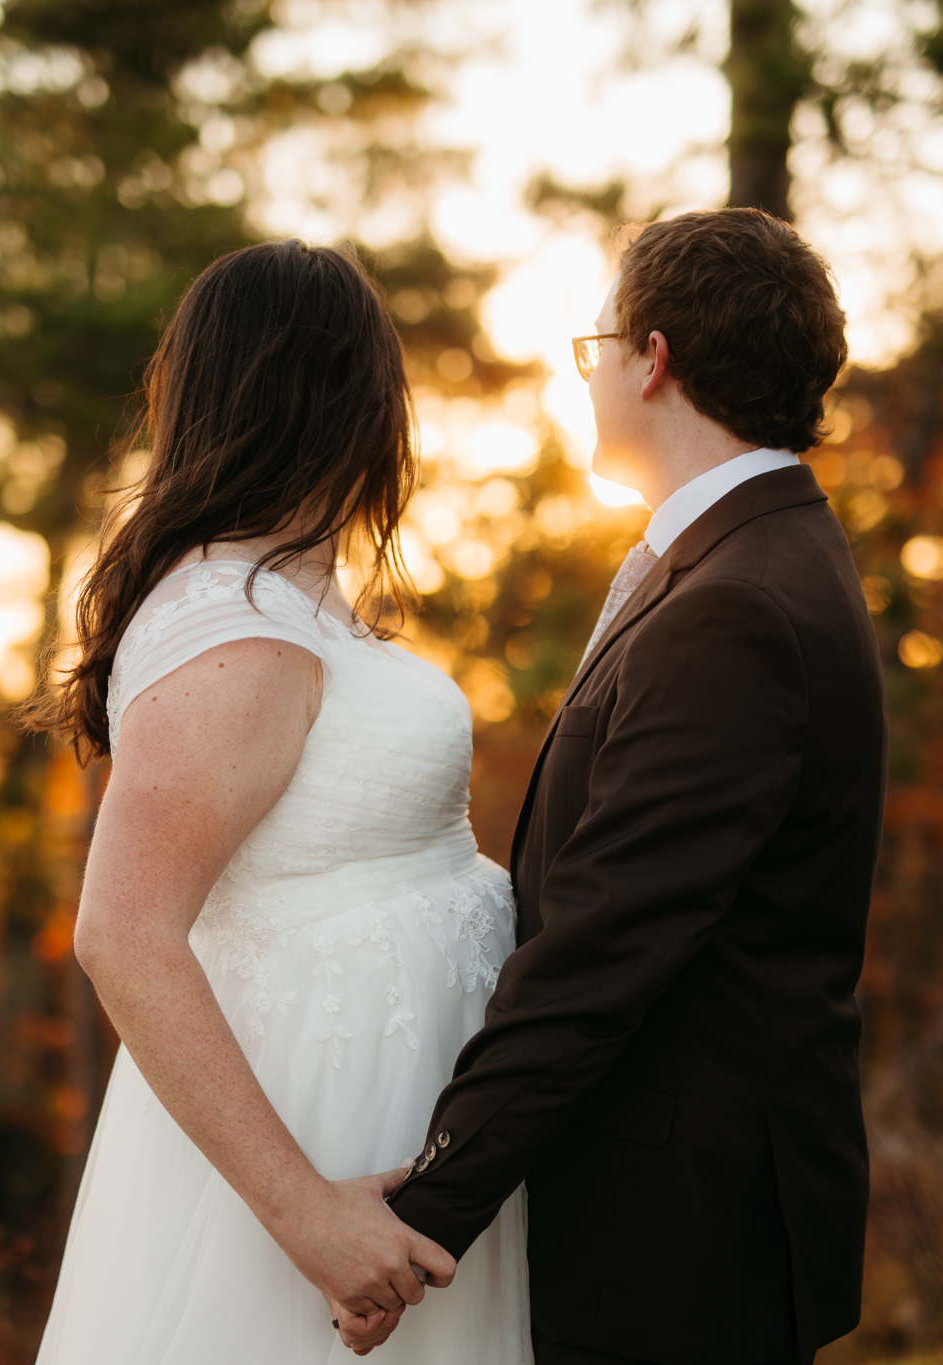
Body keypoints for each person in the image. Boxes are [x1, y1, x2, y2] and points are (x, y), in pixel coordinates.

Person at [344, 207, 886, 1364]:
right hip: (695, 1193)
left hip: (681, 1223)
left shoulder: (733, 604)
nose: (585, 383)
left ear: (653, 359)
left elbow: (604, 944)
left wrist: (426, 1212)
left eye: (593, 351)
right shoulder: (745, 555)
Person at [30, 238, 533, 1364]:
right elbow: (123, 932)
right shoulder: (237, 622)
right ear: (338, 393)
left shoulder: (288, 587)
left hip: (389, 1113)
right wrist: (305, 1214)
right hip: (319, 1131)